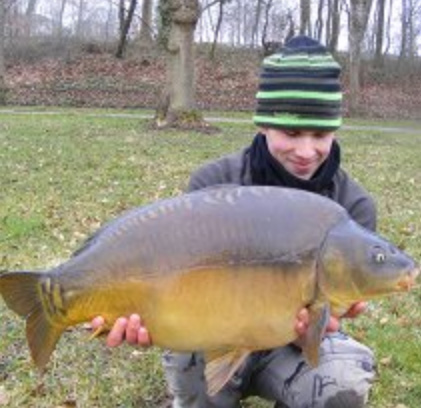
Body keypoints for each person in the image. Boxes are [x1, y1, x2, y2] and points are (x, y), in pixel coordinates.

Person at [92, 36, 377, 407]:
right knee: (192, 363)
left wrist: (322, 322)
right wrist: (141, 313)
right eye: (291, 133)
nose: (307, 151)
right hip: (211, 333)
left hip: (289, 346)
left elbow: (331, 309)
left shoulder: (353, 207)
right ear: (262, 125)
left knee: (344, 379)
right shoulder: (212, 184)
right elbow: (174, 276)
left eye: (320, 134)